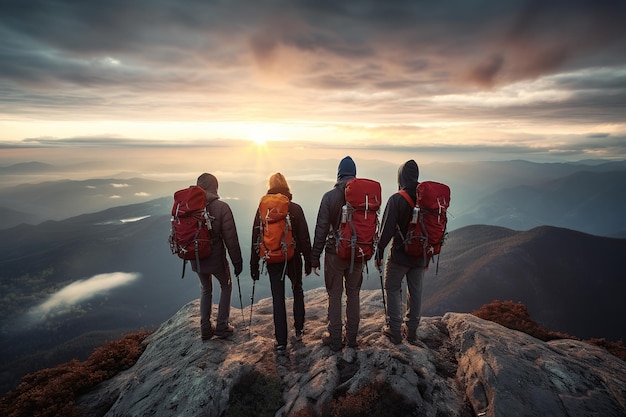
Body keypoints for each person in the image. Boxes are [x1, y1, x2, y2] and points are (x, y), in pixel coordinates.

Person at [250, 173, 312, 351]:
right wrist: (308, 260)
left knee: (278, 297)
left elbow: (256, 237)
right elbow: (304, 237)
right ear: (287, 187)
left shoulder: (263, 209)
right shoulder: (295, 208)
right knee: (297, 289)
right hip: (292, 258)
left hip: (272, 258)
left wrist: (253, 264)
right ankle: (299, 329)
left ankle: (281, 341)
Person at [311, 156, 364, 351]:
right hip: (357, 254)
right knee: (353, 293)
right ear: (354, 174)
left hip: (334, 253)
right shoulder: (364, 197)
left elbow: (321, 229)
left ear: (339, 174)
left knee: (335, 295)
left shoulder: (329, 197)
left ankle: (334, 338)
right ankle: (352, 338)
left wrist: (314, 257)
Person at [375, 160, 426, 344]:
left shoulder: (397, 199)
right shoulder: (425, 198)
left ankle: (395, 330)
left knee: (392, 288)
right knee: (416, 291)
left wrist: (379, 253)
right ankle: (411, 331)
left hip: (399, 255)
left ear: (400, 177)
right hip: (421, 254)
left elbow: (386, 230)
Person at [193, 172, 243, 340]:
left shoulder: (189, 207)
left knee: (206, 289)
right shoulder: (221, 207)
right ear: (215, 187)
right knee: (225, 286)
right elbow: (231, 239)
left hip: (196, 257)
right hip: (215, 257)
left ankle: (205, 328)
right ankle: (222, 326)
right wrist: (237, 262)